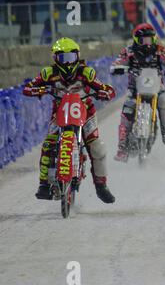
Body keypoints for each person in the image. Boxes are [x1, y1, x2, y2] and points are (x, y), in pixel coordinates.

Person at [23, 37, 116, 203]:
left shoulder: (87, 73)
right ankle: (43, 184)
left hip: (85, 113)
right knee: (48, 144)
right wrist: (38, 89)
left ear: (77, 56)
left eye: (70, 58)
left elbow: (105, 88)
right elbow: (28, 87)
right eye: (62, 59)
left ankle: (101, 186)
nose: (67, 63)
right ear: (55, 59)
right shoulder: (48, 73)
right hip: (60, 114)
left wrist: (104, 92)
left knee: (97, 147)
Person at [110, 23, 165, 163]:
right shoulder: (129, 51)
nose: (147, 43)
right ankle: (122, 148)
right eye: (144, 39)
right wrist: (117, 67)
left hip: (157, 88)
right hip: (134, 90)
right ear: (136, 39)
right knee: (127, 113)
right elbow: (118, 62)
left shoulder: (160, 50)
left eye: (150, 39)